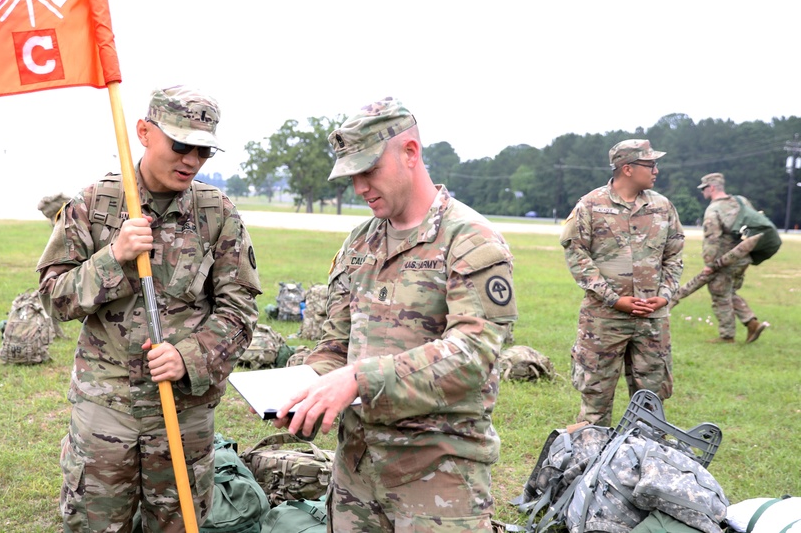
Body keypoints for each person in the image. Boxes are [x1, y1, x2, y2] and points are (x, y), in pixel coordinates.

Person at [276, 98, 518, 533]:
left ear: (410, 153)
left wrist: (359, 379)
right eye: (353, 176)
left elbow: (473, 354)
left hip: (437, 479)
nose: (360, 187)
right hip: (356, 475)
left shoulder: (470, 240)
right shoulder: (360, 243)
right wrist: (307, 390)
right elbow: (336, 343)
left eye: (369, 171)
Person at [36, 86, 262, 533]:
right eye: (180, 145)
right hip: (107, 409)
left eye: (203, 151)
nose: (191, 160)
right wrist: (112, 256)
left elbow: (240, 310)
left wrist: (188, 356)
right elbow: (54, 298)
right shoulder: (92, 206)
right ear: (143, 132)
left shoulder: (217, 214)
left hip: (184, 412)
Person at [560, 139, 684, 427]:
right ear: (627, 169)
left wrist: (664, 296)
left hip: (652, 319)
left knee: (652, 405)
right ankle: (589, 463)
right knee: (595, 402)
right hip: (604, 319)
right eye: (650, 164)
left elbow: (674, 256)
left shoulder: (663, 207)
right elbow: (577, 257)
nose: (656, 170)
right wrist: (613, 298)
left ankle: (644, 463)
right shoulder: (590, 205)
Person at [697, 172, 770, 344]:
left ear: (712, 188)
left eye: (704, 189)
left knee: (719, 293)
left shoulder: (713, 209)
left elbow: (712, 239)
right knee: (729, 291)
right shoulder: (741, 201)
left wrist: (709, 263)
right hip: (744, 256)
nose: (702, 192)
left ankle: (727, 336)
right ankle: (752, 323)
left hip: (726, 259)